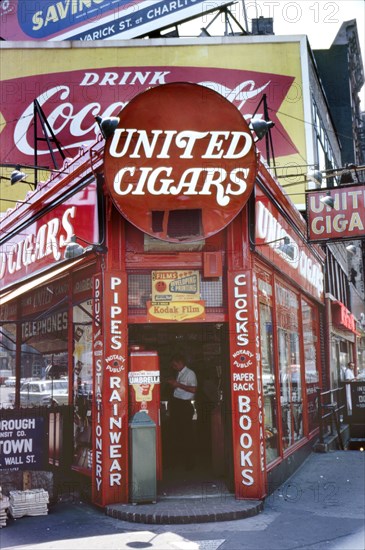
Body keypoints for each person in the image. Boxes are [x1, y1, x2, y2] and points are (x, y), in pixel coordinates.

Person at [167, 353, 197, 470]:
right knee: (177, 433)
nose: (174, 367)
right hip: (177, 404)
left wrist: (177, 384)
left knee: (187, 434)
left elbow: (194, 389)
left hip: (184, 406)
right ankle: (179, 461)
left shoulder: (190, 373)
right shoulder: (179, 373)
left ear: (180, 363)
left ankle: (190, 463)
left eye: (175, 365)